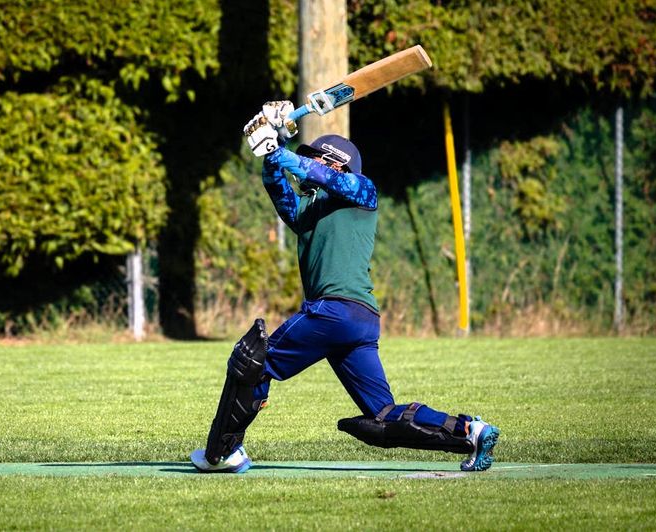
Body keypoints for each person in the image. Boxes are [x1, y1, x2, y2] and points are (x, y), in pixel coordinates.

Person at [190, 101, 499, 474]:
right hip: (359, 321)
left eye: (317, 159)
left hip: (333, 310)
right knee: (383, 414)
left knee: (254, 361)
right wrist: (275, 144)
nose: (309, 167)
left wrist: (280, 150)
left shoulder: (362, 191)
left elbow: (321, 175)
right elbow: (275, 183)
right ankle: (470, 430)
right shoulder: (307, 211)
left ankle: (223, 452)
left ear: (336, 163)